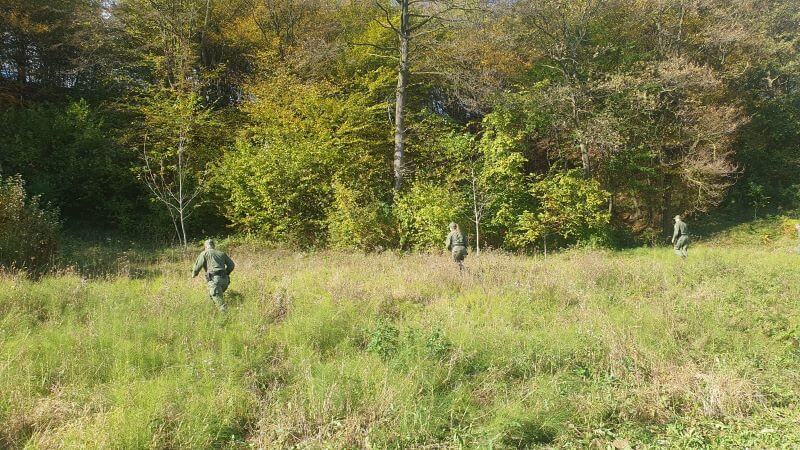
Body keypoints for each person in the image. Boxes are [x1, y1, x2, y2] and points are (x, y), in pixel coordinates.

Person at [191, 239, 235, 311]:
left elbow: (197, 266)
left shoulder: (204, 253)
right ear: (213, 246)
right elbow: (231, 265)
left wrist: (194, 274)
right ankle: (213, 312)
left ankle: (226, 315)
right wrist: (226, 273)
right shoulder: (222, 253)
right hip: (225, 280)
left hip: (214, 280)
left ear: (205, 246)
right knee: (212, 297)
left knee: (220, 303)